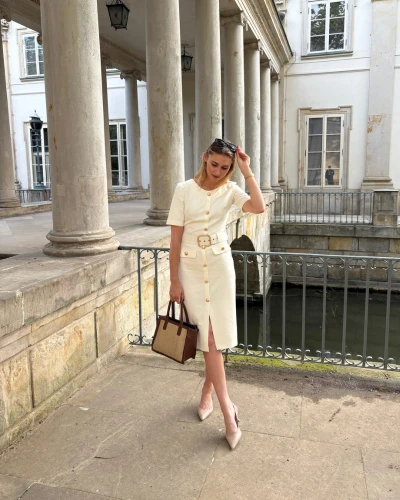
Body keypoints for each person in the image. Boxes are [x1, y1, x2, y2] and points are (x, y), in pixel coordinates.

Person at [166, 138, 265, 450]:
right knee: (208, 338)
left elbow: (258, 207)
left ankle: (215, 400)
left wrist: (247, 171)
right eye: (214, 164)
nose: (218, 171)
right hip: (190, 269)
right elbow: (175, 240)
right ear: (204, 157)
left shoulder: (231, 190)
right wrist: (174, 281)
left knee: (214, 337)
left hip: (220, 267)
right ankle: (226, 408)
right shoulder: (183, 190)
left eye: (225, 167)